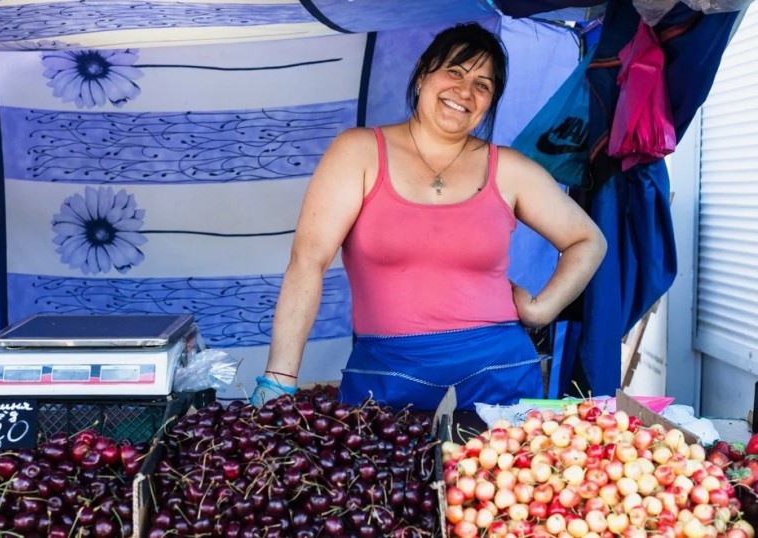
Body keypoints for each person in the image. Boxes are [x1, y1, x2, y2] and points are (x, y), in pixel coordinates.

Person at [250, 22, 606, 411]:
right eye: (455, 71)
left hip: (498, 379)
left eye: (483, 86)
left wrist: (542, 309)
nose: (465, 92)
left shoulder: (509, 169)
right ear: (423, 73)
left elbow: (588, 240)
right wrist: (279, 380)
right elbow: (307, 262)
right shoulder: (358, 152)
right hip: (386, 379)